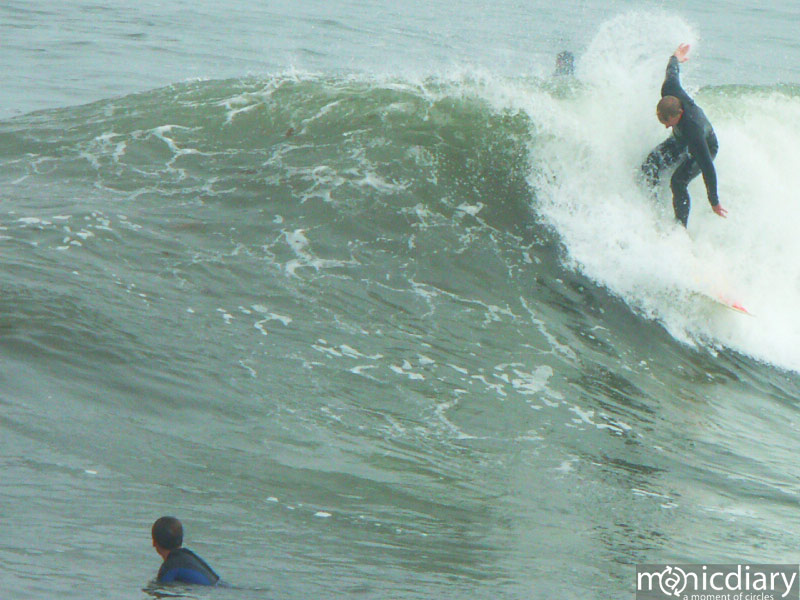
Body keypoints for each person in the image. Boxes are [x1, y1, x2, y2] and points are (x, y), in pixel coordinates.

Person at [641, 43, 728, 227]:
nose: (665, 128)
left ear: (678, 114)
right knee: (649, 166)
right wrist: (676, 57)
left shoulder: (693, 129)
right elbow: (672, 71)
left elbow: (708, 168)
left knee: (678, 182)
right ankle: (654, 211)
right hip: (681, 140)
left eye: (667, 123)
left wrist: (714, 202)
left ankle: (681, 227)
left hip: (706, 145)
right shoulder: (669, 88)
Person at [151, 516, 220, 586]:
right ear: (181, 540)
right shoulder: (190, 556)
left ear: (154, 543)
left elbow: (161, 589)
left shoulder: (169, 568)